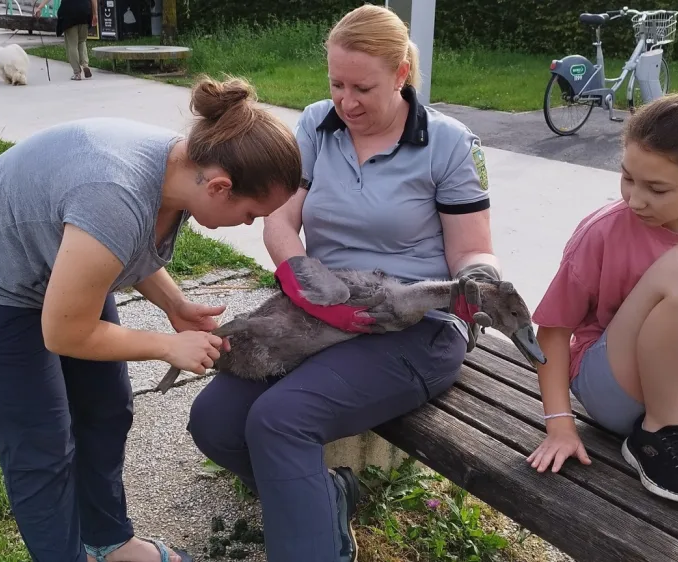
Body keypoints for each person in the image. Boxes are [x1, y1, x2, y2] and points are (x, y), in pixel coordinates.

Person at [0, 76, 301, 562]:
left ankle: (108, 542)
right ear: (220, 187)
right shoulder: (115, 193)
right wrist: (165, 344)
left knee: (106, 406)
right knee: (42, 447)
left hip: (49, 275)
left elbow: (125, 249)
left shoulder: (178, 171)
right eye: (250, 215)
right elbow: (64, 331)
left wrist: (174, 306)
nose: (251, 225)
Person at [186, 5, 503, 561]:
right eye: (336, 84)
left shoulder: (451, 144)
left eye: (363, 87)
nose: (346, 102)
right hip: (316, 311)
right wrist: (303, 284)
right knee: (214, 422)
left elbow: (474, 251)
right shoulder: (315, 123)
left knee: (281, 421)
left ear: (402, 74)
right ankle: (323, 501)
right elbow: (282, 221)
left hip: (412, 323)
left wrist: (478, 287)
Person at [527, 92, 678, 512]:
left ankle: (670, 423)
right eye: (627, 178)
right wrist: (560, 424)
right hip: (613, 384)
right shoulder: (606, 229)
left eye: (656, 189)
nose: (634, 199)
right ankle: (657, 435)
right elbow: (553, 330)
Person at [34, 0, 97, 80]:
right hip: (85, 12)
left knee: (72, 45)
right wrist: (95, 14)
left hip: (69, 14)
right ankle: (85, 65)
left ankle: (77, 73)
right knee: (82, 41)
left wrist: (40, 7)